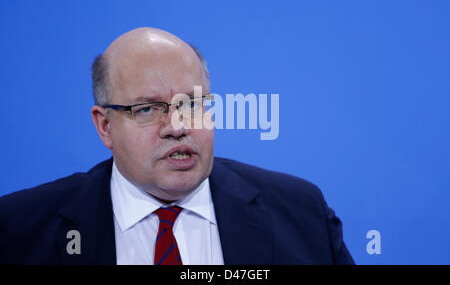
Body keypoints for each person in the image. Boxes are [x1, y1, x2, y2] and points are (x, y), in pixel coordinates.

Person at [0, 27, 354, 265]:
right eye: (148, 109)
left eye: (192, 104)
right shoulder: (18, 230)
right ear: (105, 126)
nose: (178, 127)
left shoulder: (301, 214)